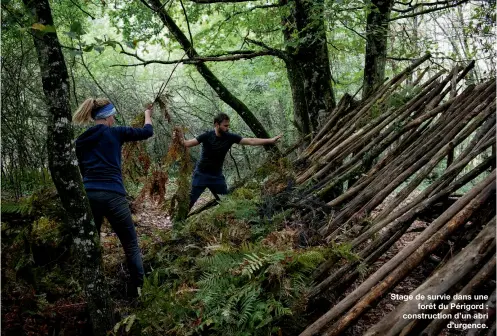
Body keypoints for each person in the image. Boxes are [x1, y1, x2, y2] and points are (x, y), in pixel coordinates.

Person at [73, 98, 153, 297]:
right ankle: (140, 290)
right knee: (130, 243)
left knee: (92, 242)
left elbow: (81, 170)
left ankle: (92, 291)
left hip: (90, 194)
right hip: (114, 195)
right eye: (113, 115)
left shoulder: (81, 140)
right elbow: (147, 132)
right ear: (107, 116)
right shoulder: (116, 132)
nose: (114, 118)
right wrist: (148, 115)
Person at [184, 113, 281, 209]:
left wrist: (270, 140)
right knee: (189, 202)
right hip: (201, 174)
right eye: (225, 126)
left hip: (217, 176)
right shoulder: (206, 136)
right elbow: (188, 143)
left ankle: (229, 221)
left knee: (227, 203)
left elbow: (251, 141)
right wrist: (178, 138)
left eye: (228, 125)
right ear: (216, 124)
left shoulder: (230, 137)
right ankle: (178, 222)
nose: (227, 128)